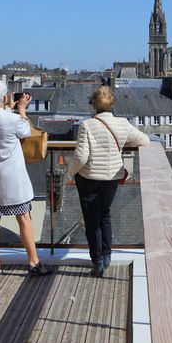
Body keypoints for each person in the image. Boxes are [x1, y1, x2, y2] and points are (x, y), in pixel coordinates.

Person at [0, 80, 50, 279]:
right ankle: (33, 262)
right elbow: (25, 131)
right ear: (6, 98)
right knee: (24, 218)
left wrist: (8, 107)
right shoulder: (13, 120)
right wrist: (21, 109)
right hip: (13, 178)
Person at [68, 86, 150, 277]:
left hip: (89, 178)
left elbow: (81, 157)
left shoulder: (87, 125)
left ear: (94, 105)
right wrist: (123, 144)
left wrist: (71, 173)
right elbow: (144, 140)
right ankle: (106, 256)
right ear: (111, 104)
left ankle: (97, 262)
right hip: (111, 177)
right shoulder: (123, 124)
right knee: (105, 214)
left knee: (91, 220)